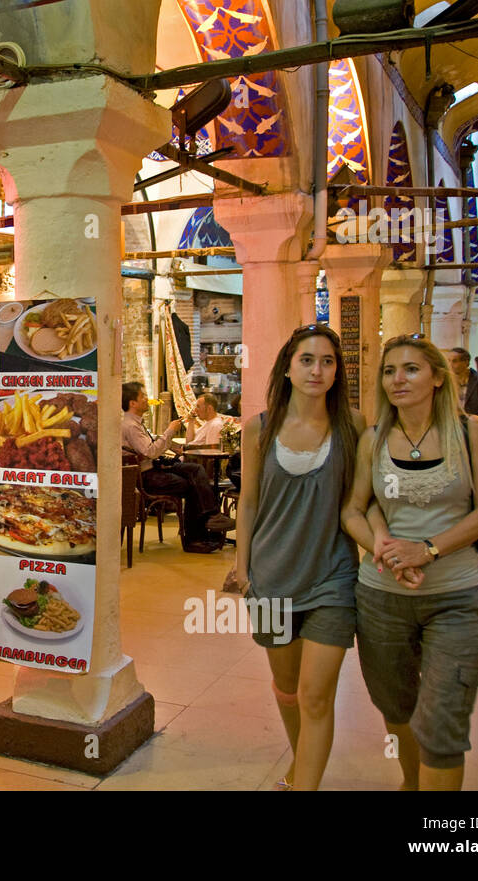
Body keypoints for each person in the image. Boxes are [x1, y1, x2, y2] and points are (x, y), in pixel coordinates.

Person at [342, 335, 478, 791]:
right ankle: (412, 783)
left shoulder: (470, 431)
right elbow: (353, 508)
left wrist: (426, 549)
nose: (398, 379)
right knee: (398, 706)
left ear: (436, 378)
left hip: (456, 596)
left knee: (443, 720)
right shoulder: (374, 438)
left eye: (411, 369)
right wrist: (383, 546)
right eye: (389, 371)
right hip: (382, 598)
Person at [235, 324, 363, 791]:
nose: (317, 369)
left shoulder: (354, 426)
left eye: (327, 361)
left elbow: (361, 503)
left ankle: (302, 786)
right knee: (288, 693)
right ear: (287, 368)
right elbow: (249, 502)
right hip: (271, 579)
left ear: (337, 371)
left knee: (315, 697)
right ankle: (299, 767)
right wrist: (242, 569)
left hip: (333, 578)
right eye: (307, 360)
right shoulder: (260, 428)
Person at [121, 381, 233, 553]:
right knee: (191, 485)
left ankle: (211, 517)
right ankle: (195, 539)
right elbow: (150, 452)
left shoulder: (135, 423)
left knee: (195, 471)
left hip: (154, 468)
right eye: (142, 396)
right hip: (146, 476)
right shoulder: (130, 425)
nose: (146, 399)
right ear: (132, 403)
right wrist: (170, 431)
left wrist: (169, 442)